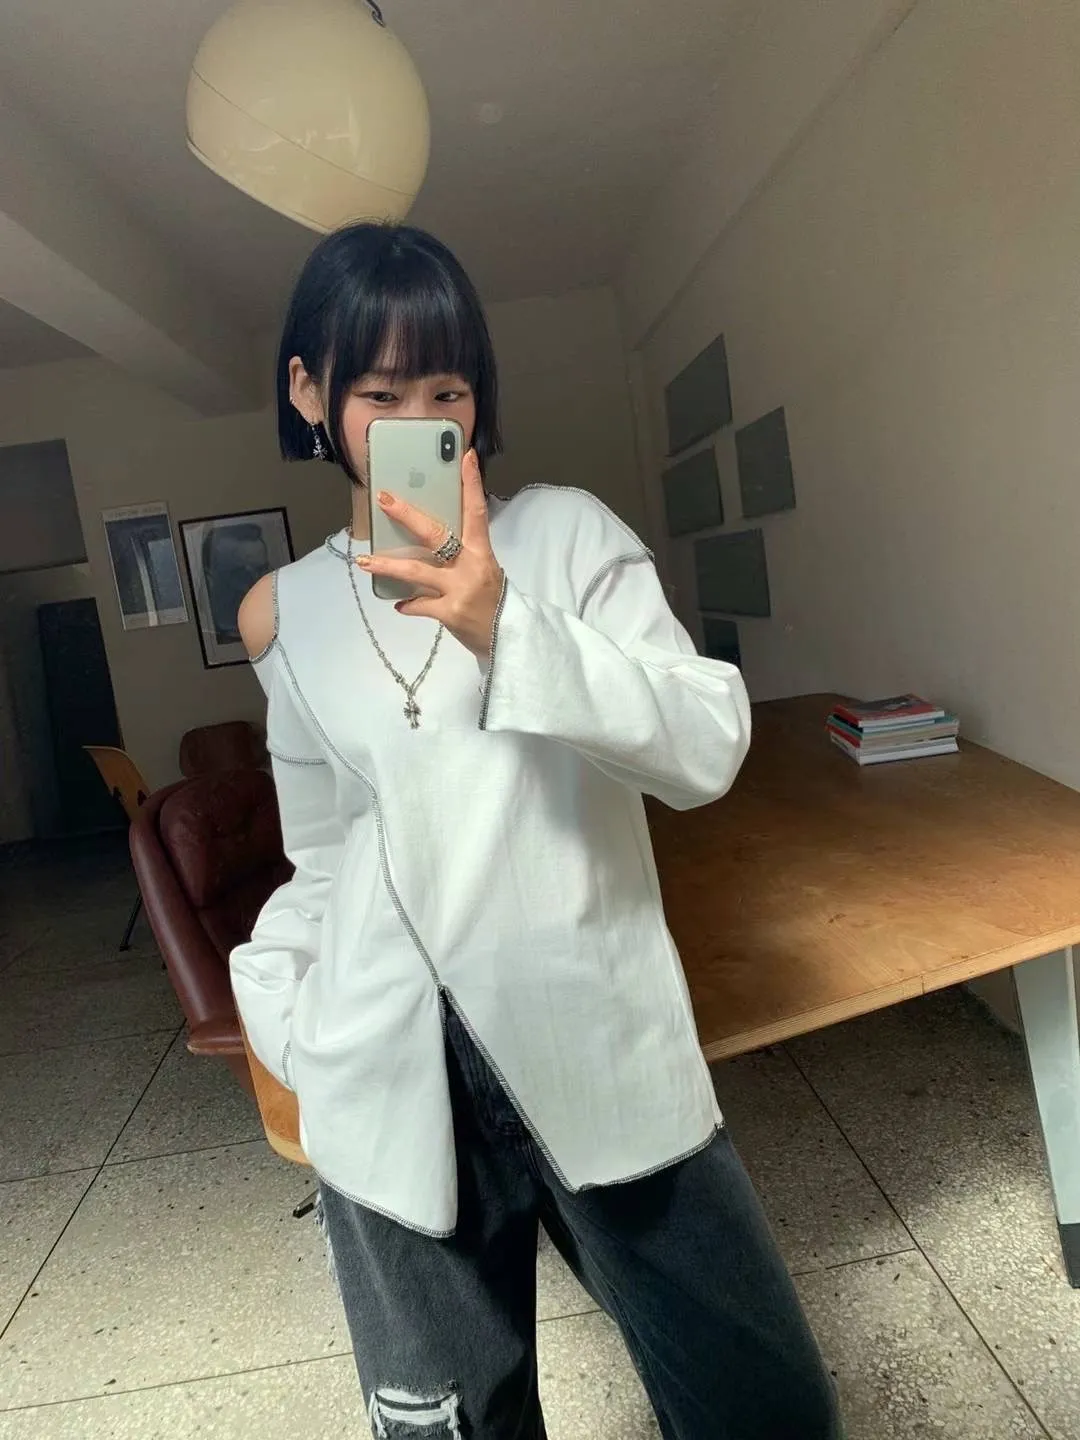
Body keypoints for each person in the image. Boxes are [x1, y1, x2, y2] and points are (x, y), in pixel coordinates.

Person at [231, 222, 841, 1440]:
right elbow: (325, 858)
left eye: (446, 390)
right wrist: (292, 1022)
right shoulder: (281, 614)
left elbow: (706, 742)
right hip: (387, 1075)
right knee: (462, 1428)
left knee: (767, 1409)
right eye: (380, 393)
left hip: (593, 1037)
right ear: (307, 392)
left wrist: (505, 620)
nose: (420, 419)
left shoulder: (566, 538)